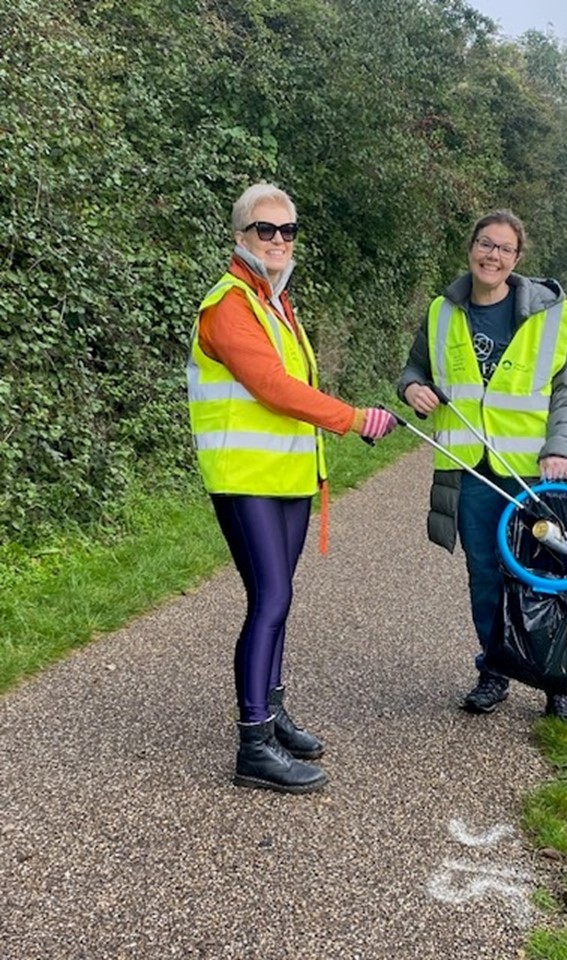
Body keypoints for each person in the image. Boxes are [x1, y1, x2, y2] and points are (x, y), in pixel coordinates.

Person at [187, 183, 397, 793]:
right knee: (270, 601)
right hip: (246, 481)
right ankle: (254, 743)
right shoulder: (228, 306)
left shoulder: (277, 303)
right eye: (264, 230)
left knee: (279, 601)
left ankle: (273, 715)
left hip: (289, 479)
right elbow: (273, 387)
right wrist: (354, 419)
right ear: (240, 237)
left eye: (287, 231)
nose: (278, 240)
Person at [398, 209, 567, 724]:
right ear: (471, 248)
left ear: (517, 259)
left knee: (545, 576)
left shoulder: (550, 316)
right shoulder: (441, 312)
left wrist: (559, 446)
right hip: (470, 472)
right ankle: (494, 671)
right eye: (485, 244)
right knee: (485, 577)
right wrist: (411, 387)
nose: (492, 255)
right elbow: (415, 369)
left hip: (532, 473)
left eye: (503, 248)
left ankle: (554, 683)